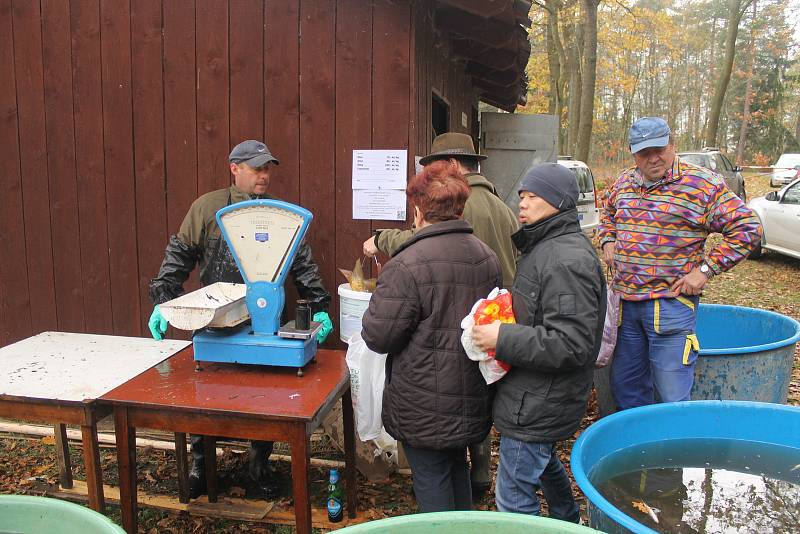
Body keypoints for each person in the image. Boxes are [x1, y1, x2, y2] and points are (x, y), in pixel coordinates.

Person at [147, 139, 333, 499]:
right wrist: (163, 302)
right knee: (204, 398)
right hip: (215, 319)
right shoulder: (206, 208)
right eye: (257, 168)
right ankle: (202, 465)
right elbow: (177, 260)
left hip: (264, 320)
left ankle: (259, 465)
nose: (264, 175)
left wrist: (319, 305)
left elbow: (303, 265)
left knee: (264, 395)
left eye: (268, 169)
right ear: (235, 168)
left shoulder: (283, 215)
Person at [362, 132, 518, 495]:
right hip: (471, 390)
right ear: (460, 207)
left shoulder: (407, 265)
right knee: (455, 469)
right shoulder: (485, 256)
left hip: (424, 401)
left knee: (432, 480)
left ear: (418, 211)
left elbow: (379, 335)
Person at [597, 117, 762, 410]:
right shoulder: (624, 181)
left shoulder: (701, 185)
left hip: (670, 305)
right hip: (626, 307)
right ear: (634, 154)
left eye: (659, 149)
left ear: (672, 145)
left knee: (672, 397)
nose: (653, 158)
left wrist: (706, 270)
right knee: (627, 389)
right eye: (644, 153)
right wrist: (608, 239)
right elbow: (607, 213)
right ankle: (639, 452)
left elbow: (748, 228)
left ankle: (671, 454)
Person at [471, 163, 605, 522]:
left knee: (513, 494)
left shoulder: (566, 259)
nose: (523, 204)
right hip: (536, 392)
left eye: (534, 196)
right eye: (523, 196)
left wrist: (503, 336)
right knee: (542, 461)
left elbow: (572, 342)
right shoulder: (546, 246)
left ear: (559, 201)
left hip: (540, 400)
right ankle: (566, 519)